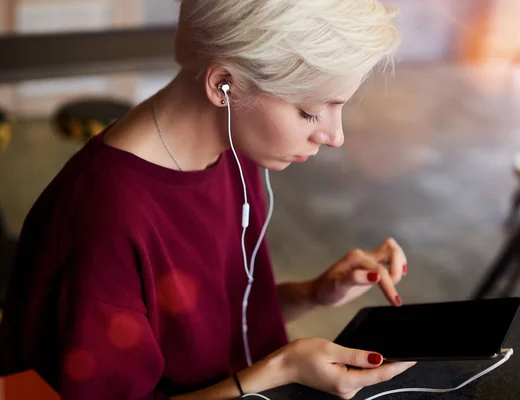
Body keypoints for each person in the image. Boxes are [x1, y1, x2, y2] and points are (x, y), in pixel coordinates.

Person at [0, 0, 415, 398]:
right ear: (223, 85)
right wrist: (276, 373)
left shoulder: (234, 143)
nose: (335, 136)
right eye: (310, 111)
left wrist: (313, 294)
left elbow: (200, 329)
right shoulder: (103, 222)